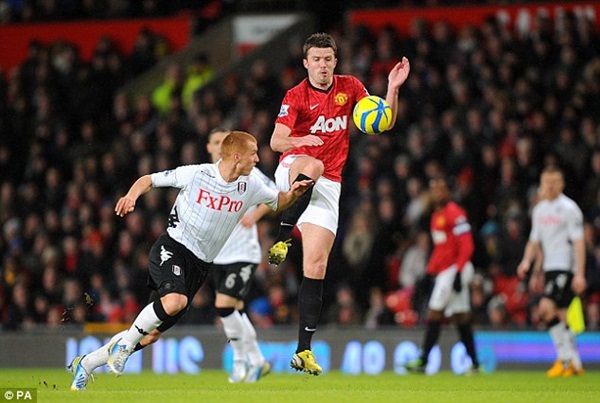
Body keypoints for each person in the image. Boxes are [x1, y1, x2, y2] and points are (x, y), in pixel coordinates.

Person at [68, 131, 314, 390]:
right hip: (173, 247)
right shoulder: (198, 174)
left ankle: (87, 364)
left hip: (200, 265)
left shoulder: (250, 185)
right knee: (175, 302)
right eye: (253, 153)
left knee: (151, 334)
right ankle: (125, 345)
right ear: (237, 156)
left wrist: (294, 193)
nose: (257, 158)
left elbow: (278, 201)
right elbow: (149, 179)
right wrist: (131, 196)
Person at [267, 32, 410, 375]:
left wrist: (392, 89)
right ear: (306, 63)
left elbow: (383, 122)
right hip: (295, 167)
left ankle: (303, 350)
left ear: (335, 62)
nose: (322, 65)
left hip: (329, 184)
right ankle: (284, 237)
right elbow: (275, 141)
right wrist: (302, 138)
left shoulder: (351, 87)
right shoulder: (296, 95)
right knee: (313, 164)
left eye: (328, 59)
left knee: (316, 266)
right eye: (316, 59)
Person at [205, 128, 276, 383]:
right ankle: (256, 360)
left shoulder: (248, 171)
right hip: (215, 253)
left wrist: (254, 216)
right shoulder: (206, 174)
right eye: (216, 142)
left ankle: (239, 362)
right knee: (234, 310)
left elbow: (275, 192)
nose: (219, 145)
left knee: (224, 306)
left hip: (243, 252)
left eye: (224, 141)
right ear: (209, 147)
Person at [405, 177, 480, 374]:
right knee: (461, 316)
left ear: (448, 192)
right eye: (434, 190)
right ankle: (475, 363)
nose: (437, 193)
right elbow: (440, 249)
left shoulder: (455, 214)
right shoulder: (436, 216)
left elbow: (467, 245)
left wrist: (460, 271)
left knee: (434, 311)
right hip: (446, 269)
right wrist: (429, 273)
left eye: (441, 189)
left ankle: (423, 361)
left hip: (455, 269)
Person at [517, 165, 586, 377]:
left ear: (562, 184)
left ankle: (565, 359)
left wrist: (580, 273)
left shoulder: (569, 208)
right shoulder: (539, 210)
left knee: (545, 309)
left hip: (565, 266)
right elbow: (535, 242)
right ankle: (574, 361)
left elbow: (579, 242)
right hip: (549, 268)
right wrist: (528, 263)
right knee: (562, 315)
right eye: (546, 181)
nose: (549, 186)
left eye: (554, 181)